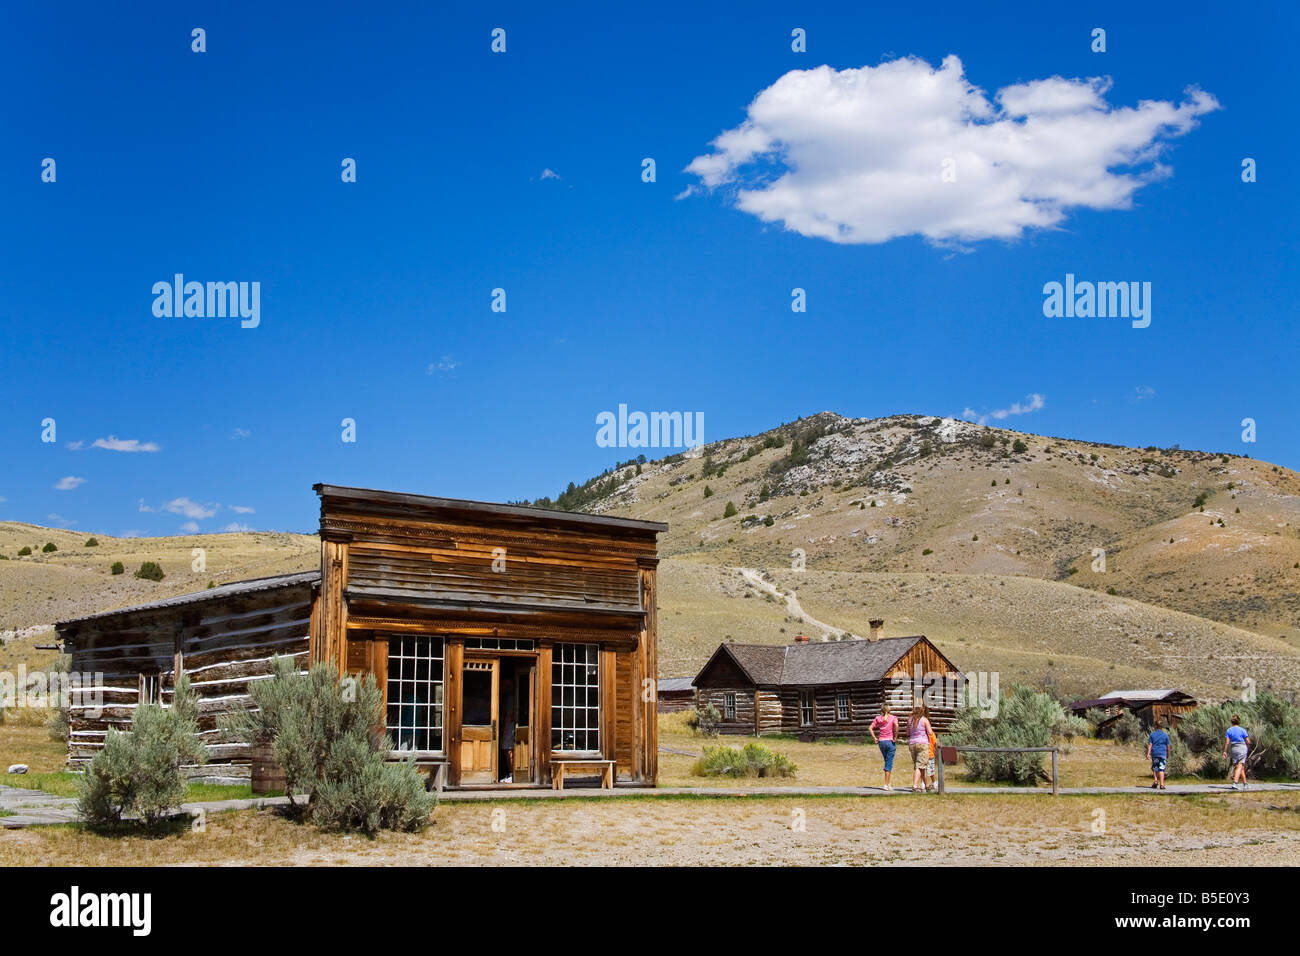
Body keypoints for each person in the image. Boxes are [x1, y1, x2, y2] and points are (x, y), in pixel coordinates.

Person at [869, 702, 899, 790]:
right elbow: (897, 726)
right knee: (889, 763)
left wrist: (875, 738)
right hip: (890, 741)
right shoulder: (893, 718)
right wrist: (895, 736)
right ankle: (886, 785)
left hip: (881, 742)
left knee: (887, 761)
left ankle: (888, 783)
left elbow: (870, 728)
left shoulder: (878, 718)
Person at [908, 704, 933, 792]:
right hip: (922, 743)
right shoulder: (924, 720)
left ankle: (927, 785)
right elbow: (930, 732)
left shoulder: (910, 720)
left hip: (912, 744)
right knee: (920, 766)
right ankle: (914, 786)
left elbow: (907, 732)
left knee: (921, 765)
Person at [1223, 714, 1251, 790]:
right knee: (1240, 765)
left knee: (1240, 766)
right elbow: (1248, 741)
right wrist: (1247, 747)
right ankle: (1235, 783)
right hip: (1242, 748)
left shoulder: (1229, 730)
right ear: (1239, 721)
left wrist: (1225, 751)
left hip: (1234, 748)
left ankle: (1245, 784)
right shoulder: (1242, 730)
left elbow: (1227, 742)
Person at [1147, 718, 1170, 790]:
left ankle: (1156, 780)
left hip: (1155, 753)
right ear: (1162, 726)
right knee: (1161, 769)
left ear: (1155, 726)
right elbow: (1168, 746)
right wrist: (1168, 754)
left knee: (1155, 767)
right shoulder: (1165, 735)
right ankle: (1162, 784)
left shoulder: (1152, 735)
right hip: (1163, 753)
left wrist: (1148, 754)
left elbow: (1150, 745)